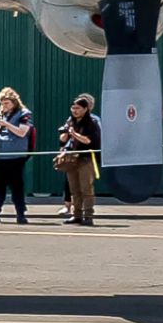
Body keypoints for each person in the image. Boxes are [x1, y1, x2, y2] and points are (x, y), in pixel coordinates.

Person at [0, 87, 34, 222]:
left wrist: (6, 124)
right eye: (2, 103)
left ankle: (21, 214)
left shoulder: (24, 114)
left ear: (14, 102)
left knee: (16, 186)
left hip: (15, 155)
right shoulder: (2, 114)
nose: (4, 106)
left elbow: (22, 132)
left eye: (7, 103)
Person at [55, 93, 103, 225]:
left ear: (85, 109)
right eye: (73, 108)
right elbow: (62, 140)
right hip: (72, 158)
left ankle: (88, 215)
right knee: (74, 188)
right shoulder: (70, 121)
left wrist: (73, 134)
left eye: (78, 108)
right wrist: (65, 134)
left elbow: (88, 141)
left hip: (86, 158)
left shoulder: (91, 123)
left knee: (86, 188)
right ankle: (76, 215)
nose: (75, 111)